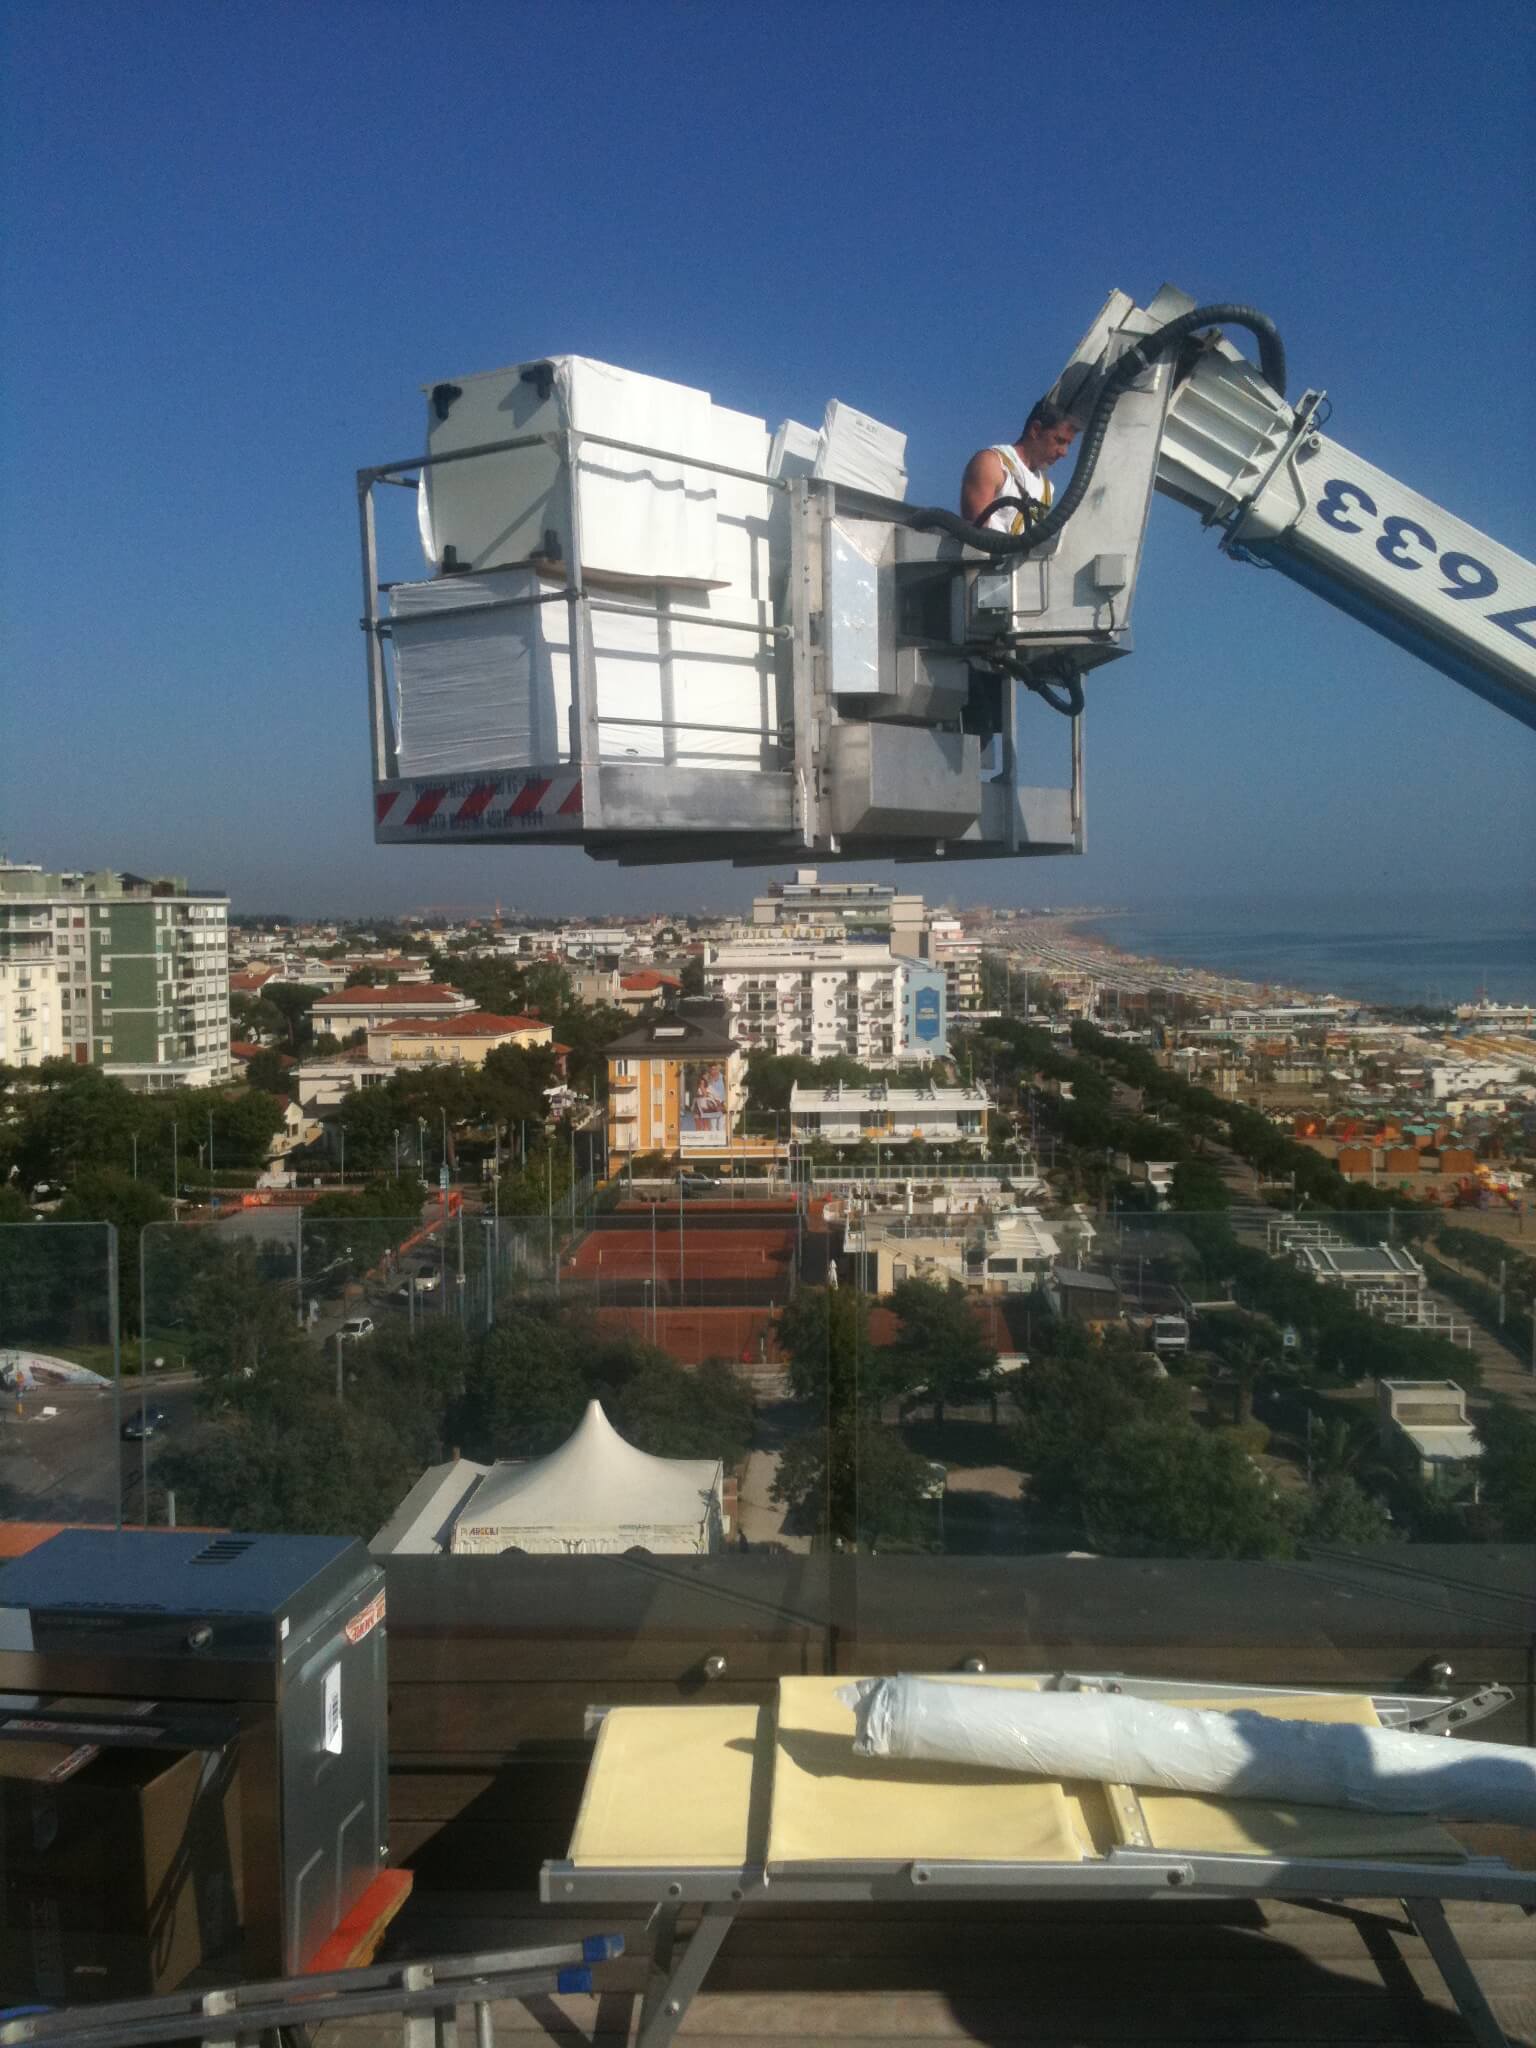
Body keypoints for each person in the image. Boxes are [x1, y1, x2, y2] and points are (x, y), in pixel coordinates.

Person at [959, 398, 1078, 533]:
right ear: (1036, 430)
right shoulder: (992, 464)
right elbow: (974, 535)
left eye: (1068, 444)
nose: (1064, 452)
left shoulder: (1047, 490)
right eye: (1059, 440)